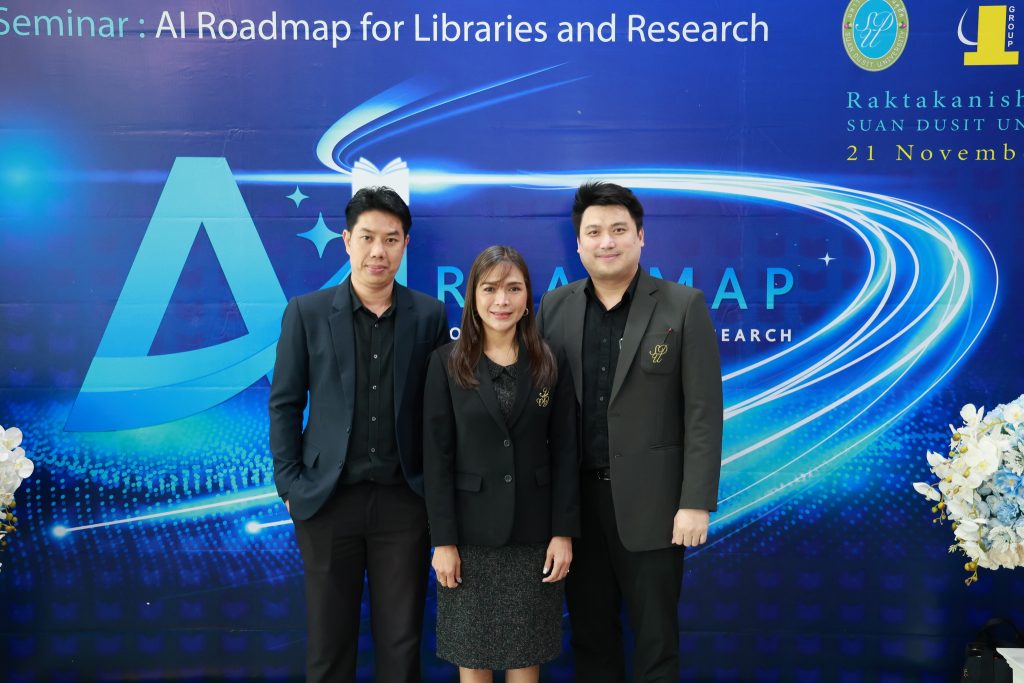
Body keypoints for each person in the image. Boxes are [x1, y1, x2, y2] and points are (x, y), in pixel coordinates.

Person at [537, 181, 724, 683]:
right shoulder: (553, 307)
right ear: (578, 243)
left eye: (619, 230)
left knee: (656, 643)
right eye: (594, 232)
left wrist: (695, 501)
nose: (607, 242)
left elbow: (703, 412)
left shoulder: (682, 305)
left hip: (656, 507)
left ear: (641, 236)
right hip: (576, 509)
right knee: (591, 640)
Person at [268, 186, 448, 683]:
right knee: (329, 645)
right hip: (327, 501)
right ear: (347, 241)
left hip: (403, 503)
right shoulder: (306, 313)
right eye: (367, 237)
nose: (378, 251)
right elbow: (284, 403)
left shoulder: (429, 316)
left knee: (401, 645)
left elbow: (438, 415)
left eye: (390, 239)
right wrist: (290, 486)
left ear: (405, 244)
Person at [423, 245, 580, 683]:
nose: (502, 300)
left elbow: (566, 451)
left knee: (525, 657)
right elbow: (436, 459)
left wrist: (563, 533)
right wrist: (443, 542)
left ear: (528, 297)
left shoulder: (550, 360)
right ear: (473, 297)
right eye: (490, 289)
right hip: (468, 541)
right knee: (472, 660)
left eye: (513, 288)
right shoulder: (446, 363)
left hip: (534, 538)